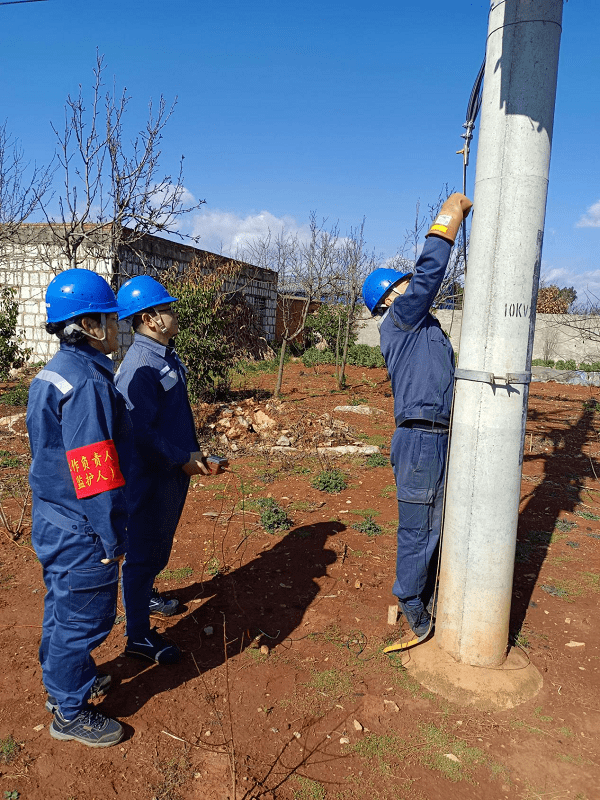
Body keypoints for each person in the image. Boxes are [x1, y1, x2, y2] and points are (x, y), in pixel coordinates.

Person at [26, 269, 132, 747]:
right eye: (110, 318)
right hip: (81, 527)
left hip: (51, 515)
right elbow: (97, 474)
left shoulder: (52, 374)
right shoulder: (87, 383)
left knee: (61, 608)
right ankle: (69, 712)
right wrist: (111, 537)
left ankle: (62, 685)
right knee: (84, 618)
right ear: (88, 325)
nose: (116, 327)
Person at [362, 193, 473, 639]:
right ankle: (410, 599)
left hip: (439, 435)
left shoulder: (423, 326)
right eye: (403, 284)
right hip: (421, 437)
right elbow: (429, 274)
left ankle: (423, 592)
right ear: (391, 297)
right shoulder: (403, 317)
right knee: (419, 525)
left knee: (438, 520)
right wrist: (449, 219)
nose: (411, 287)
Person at [115, 275, 209, 664]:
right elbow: (140, 433)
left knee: (158, 543)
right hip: (151, 475)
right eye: (167, 309)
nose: (174, 314)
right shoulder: (140, 365)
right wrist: (180, 457)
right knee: (142, 551)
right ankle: (137, 635)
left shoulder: (165, 355)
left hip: (171, 470)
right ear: (152, 319)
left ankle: (146, 594)